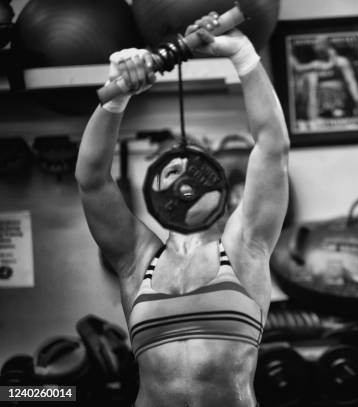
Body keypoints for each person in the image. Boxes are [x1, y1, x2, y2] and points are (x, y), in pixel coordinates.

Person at [75, 12, 289, 407]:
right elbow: (92, 179)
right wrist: (115, 97)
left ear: (215, 181)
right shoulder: (138, 260)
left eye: (194, 170)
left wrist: (243, 54)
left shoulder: (244, 248)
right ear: (154, 187)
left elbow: (272, 146)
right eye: (170, 170)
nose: (184, 183)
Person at [289, 35, 358, 128]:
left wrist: (357, 101)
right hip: (321, 109)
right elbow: (299, 70)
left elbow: (351, 83)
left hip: (340, 106)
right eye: (316, 47)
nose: (318, 50)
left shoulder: (341, 63)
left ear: (328, 46)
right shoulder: (315, 65)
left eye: (321, 47)